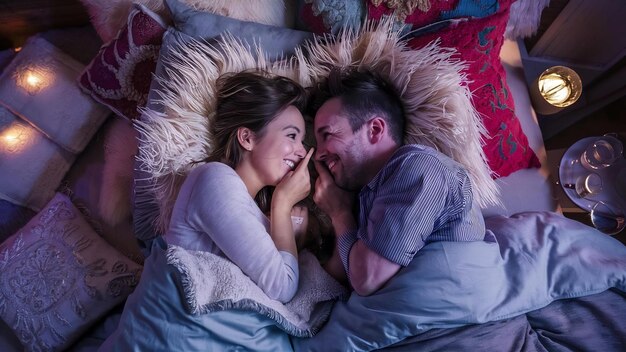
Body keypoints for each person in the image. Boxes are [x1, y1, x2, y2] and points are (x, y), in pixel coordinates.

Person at [310, 68, 487, 296]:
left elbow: (367, 279)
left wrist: (339, 213)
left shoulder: (419, 167)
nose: (318, 155)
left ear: (375, 129)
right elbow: (333, 284)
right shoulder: (368, 194)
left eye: (328, 135)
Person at [164, 70, 314, 303]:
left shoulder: (251, 211)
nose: (302, 151)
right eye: (292, 136)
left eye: (302, 140)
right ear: (247, 138)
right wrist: (283, 204)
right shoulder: (215, 180)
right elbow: (282, 287)